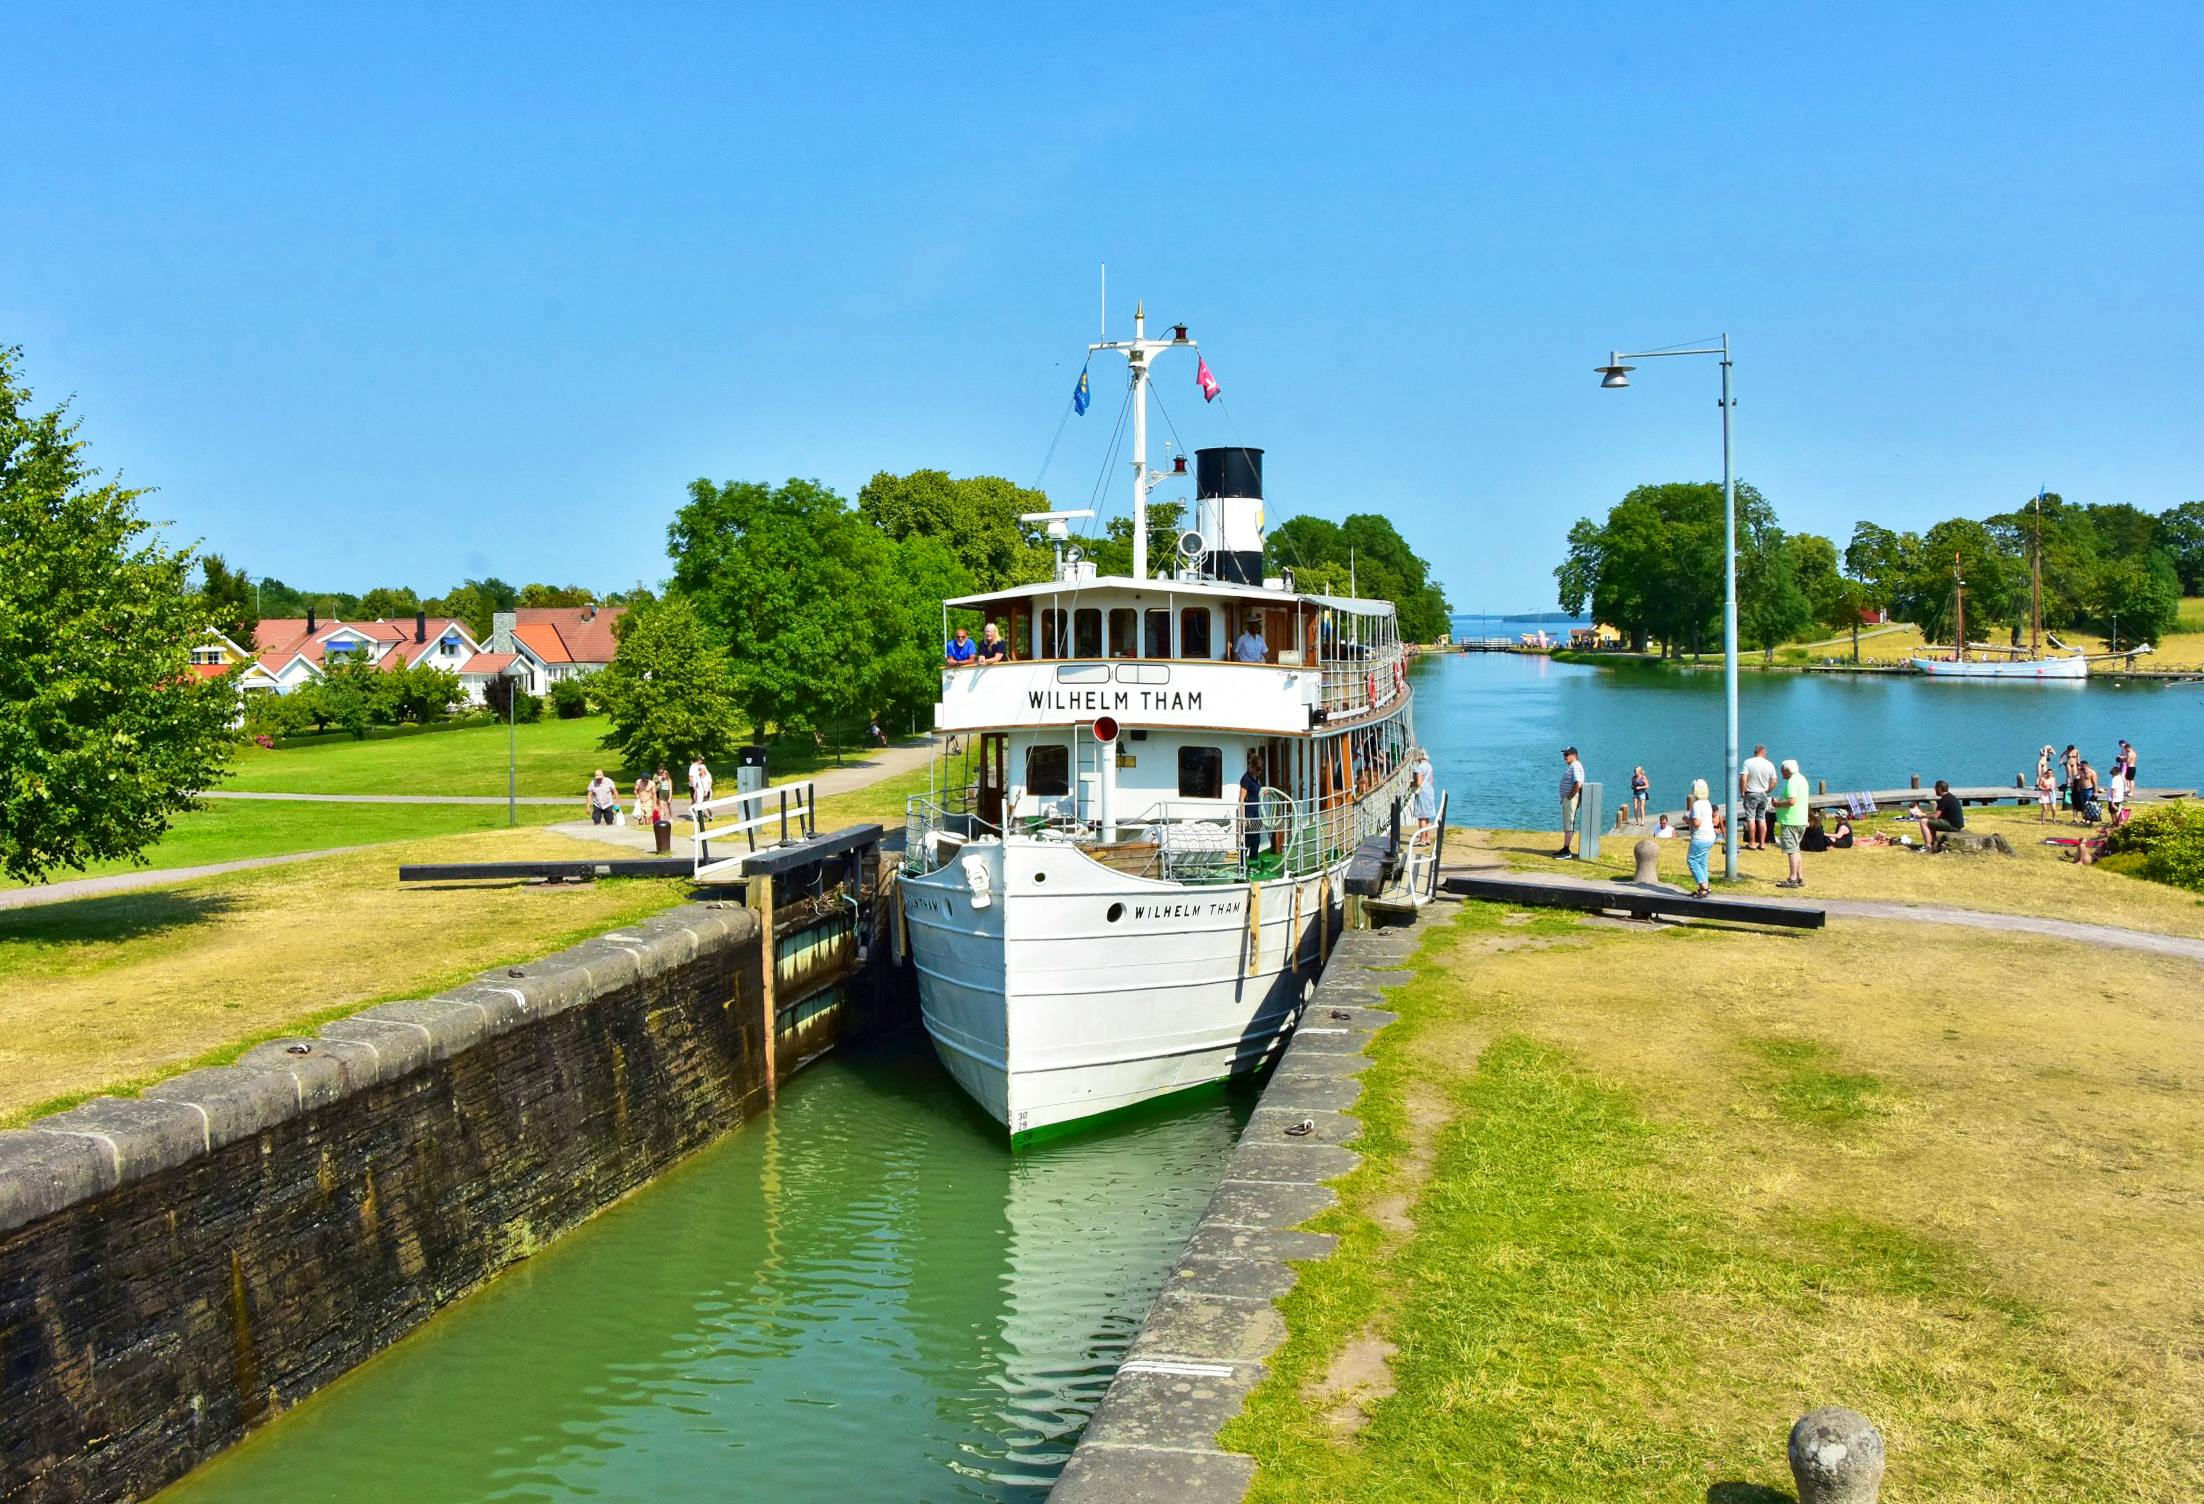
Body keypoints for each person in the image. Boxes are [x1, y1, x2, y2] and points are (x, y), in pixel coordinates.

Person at [1771, 757, 1811, 888]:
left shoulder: (1792, 782)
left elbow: (1792, 801)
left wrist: (1778, 804)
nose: (1781, 773)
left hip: (1791, 821)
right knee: (1796, 849)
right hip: (1801, 820)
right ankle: (1800, 877)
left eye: (1782, 770)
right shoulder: (1802, 779)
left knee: (1792, 850)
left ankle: (1792, 878)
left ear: (1788, 770)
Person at [1739, 744, 1778, 852]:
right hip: (1763, 794)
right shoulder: (1769, 764)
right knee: (1761, 818)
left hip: (1751, 793)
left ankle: (1752, 843)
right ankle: (1762, 843)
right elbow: (1774, 780)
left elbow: (1743, 778)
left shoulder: (1748, 762)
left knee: (1750, 818)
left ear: (1755, 752)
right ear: (1763, 752)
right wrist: (1768, 790)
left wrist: (1742, 791)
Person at [1685, 778, 1717, 898]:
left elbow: (1697, 823)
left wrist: (1687, 820)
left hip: (1700, 837)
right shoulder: (1707, 803)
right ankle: (1704, 887)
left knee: (1692, 861)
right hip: (1710, 836)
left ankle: (1703, 885)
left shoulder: (1697, 805)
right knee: (1702, 862)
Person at [1554, 746, 1586, 859]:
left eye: (1566, 755)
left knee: (1569, 824)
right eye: (1564, 754)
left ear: (1574, 755)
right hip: (1569, 799)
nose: (1564, 757)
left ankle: (1567, 851)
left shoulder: (1575, 766)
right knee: (1568, 823)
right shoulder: (1573, 766)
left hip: (1571, 799)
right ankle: (1565, 848)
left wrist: (1569, 796)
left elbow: (1578, 783)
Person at [1916, 778, 1965, 852]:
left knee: (1923, 821)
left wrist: (1922, 815)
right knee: (1931, 822)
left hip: (1952, 825)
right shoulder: (1950, 797)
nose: (1934, 789)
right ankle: (1933, 843)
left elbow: (1935, 816)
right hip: (1956, 825)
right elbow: (1937, 816)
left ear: (1939, 788)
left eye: (1935, 787)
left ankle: (1928, 846)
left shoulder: (1944, 799)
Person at [1239, 751, 1265, 864]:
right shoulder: (1246, 779)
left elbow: (1257, 792)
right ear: (1253, 767)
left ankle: (1253, 862)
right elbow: (1241, 799)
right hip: (1249, 813)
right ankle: (1242, 864)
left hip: (1255, 812)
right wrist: (1243, 818)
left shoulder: (1256, 778)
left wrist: (1265, 792)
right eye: (1257, 769)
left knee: (1256, 839)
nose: (1259, 772)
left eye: (1260, 770)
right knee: (1248, 840)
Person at [1410, 747, 1437, 834]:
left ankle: (1422, 839)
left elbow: (1418, 782)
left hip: (1422, 793)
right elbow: (1431, 780)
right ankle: (1427, 838)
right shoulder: (1429, 766)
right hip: (1430, 791)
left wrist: (1411, 784)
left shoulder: (1419, 767)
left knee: (1421, 817)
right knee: (1427, 817)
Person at [653, 767, 676, 854]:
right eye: (662, 774)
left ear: (667, 775)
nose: (663, 775)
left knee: (669, 806)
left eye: (664, 774)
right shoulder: (660, 779)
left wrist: (670, 797)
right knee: (661, 807)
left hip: (667, 793)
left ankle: (671, 817)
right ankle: (661, 818)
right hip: (662, 793)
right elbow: (655, 781)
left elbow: (670, 789)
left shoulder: (669, 781)